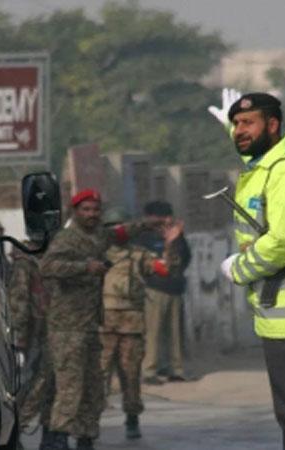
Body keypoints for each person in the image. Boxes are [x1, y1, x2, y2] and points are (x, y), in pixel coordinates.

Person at [211, 91, 285, 449]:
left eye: (247, 123)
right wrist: (235, 130)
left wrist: (241, 268)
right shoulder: (270, 162)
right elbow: (257, 150)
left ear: (274, 125)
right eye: (235, 125)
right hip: (280, 321)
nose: (238, 131)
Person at [39, 189, 157, 450]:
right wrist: (85, 267)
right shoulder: (67, 239)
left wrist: (148, 224)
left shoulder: (98, 236)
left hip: (91, 326)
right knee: (70, 386)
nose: (92, 215)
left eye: (95, 210)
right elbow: (47, 267)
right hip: (67, 328)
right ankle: (57, 437)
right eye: (86, 210)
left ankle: (85, 436)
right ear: (75, 211)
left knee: (94, 388)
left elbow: (119, 233)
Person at [99, 207, 185, 440]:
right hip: (102, 325)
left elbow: (166, 269)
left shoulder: (138, 254)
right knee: (98, 376)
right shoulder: (96, 253)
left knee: (130, 374)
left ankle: (132, 417)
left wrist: (170, 244)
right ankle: (90, 423)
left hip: (131, 326)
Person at [134, 201, 191, 384]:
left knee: (175, 333)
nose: (167, 220)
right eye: (163, 216)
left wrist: (176, 240)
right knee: (153, 332)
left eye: (168, 216)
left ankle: (176, 369)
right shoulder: (144, 237)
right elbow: (148, 263)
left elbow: (185, 258)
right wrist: (168, 243)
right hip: (154, 289)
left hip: (175, 288)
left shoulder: (177, 236)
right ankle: (149, 370)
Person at [8, 232, 55, 449]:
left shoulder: (48, 257)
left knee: (51, 384)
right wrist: (20, 339)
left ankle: (50, 434)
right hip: (34, 333)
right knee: (33, 385)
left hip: (51, 332)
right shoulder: (26, 262)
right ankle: (14, 431)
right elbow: (19, 302)